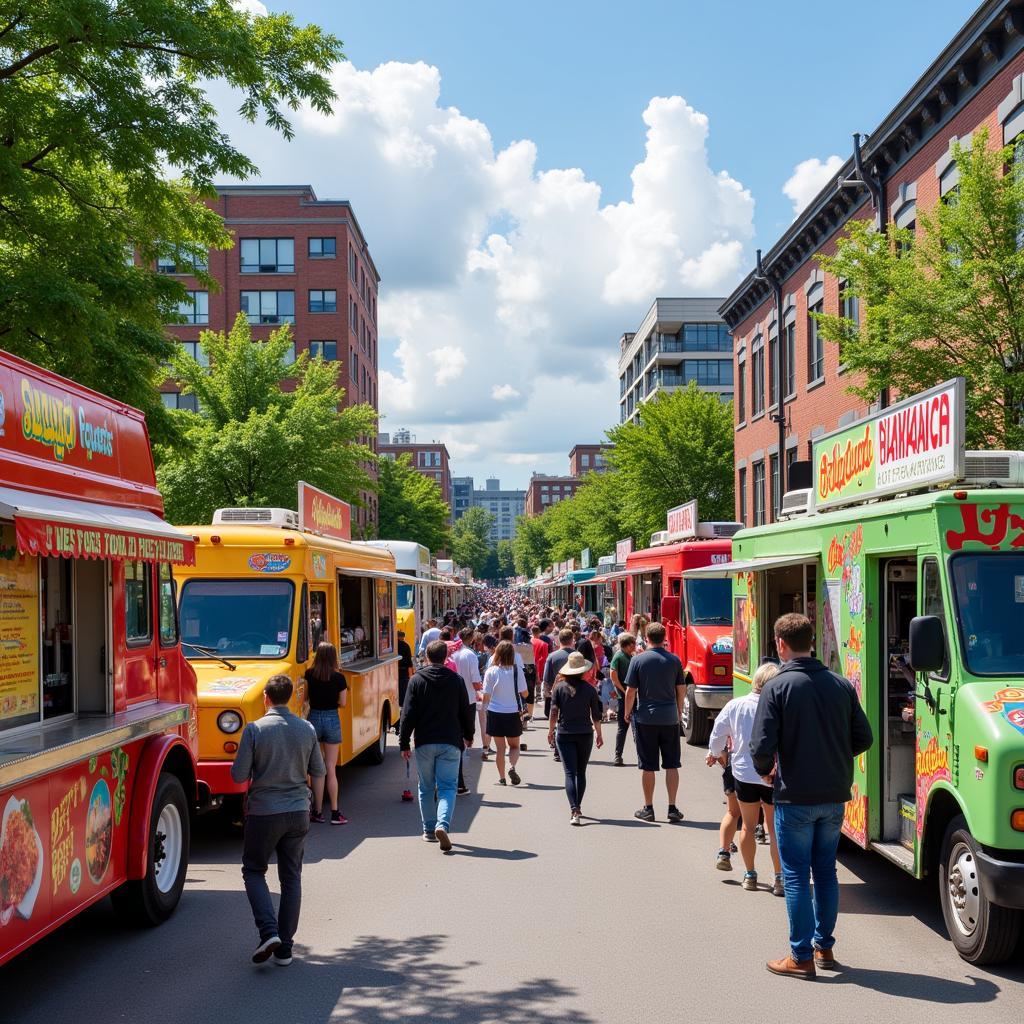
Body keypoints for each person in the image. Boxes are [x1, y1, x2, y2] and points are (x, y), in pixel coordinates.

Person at [751, 613, 873, 980]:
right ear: (813, 641)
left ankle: (800, 956)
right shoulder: (840, 685)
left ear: (779, 644)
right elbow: (863, 738)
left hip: (794, 795)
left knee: (796, 875)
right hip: (834, 794)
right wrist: (833, 758)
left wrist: (766, 770)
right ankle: (824, 947)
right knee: (825, 872)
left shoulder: (777, 686)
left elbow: (760, 746)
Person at [231, 674, 325, 965]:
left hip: (264, 811)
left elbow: (238, 775)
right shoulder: (306, 728)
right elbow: (318, 771)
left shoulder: (255, 730)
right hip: (298, 811)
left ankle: (268, 931)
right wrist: (316, 807)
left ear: (266, 698)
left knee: (254, 870)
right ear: (289, 697)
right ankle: (285, 947)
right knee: (291, 877)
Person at [707, 662, 783, 895]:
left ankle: (750, 875)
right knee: (774, 828)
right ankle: (779, 878)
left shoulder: (735, 705)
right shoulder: (779, 708)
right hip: (772, 775)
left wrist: (715, 753)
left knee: (748, 826)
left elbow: (718, 734)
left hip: (744, 774)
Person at [399, 640, 476, 852]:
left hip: (424, 741)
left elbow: (407, 714)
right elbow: (465, 711)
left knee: (425, 787)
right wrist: (469, 735)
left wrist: (404, 742)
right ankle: (443, 824)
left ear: (427, 657)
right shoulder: (456, 680)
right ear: (446, 658)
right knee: (448, 787)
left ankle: (429, 829)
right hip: (451, 740)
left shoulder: (416, 680)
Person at [623, 621, 686, 822]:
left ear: (646, 638)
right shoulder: (675, 660)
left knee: (648, 766)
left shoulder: (638, 660)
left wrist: (627, 712)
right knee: (672, 764)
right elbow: (681, 690)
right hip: (669, 718)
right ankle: (672, 807)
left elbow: (630, 691)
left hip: (646, 718)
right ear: (664, 637)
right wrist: (677, 710)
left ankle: (648, 808)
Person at [548, 651, 603, 825]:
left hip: (564, 733)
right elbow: (596, 715)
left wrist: (550, 731)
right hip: (585, 733)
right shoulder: (590, 689)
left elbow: (554, 712)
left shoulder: (559, 688)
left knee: (570, 773)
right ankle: (578, 805)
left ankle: (574, 810)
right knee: (581, 772)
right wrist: (599, 733)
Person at [304, 642, 349, 825]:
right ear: (333, 657)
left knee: (317, 768)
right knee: (331, 768)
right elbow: (343, 703)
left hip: (314, 718)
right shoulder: (339, 678)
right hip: (332, 718)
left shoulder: (309, 675)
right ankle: (335, 812)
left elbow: (306, 698)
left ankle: (317, 811)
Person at [481, 640, 528, 786]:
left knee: (500, 748)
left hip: (495, 712)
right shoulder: (516, 670)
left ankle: (502, 778)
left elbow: (486, 696)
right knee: (514, 746)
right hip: (512, 712)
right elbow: (525, 693)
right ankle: (511, 767)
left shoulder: (491, 671)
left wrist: (484, 710)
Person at [451, 627, 483, 795]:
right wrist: (481, 691)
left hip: (452, 700)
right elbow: (475, 679)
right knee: (464, 735)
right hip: (468, 699)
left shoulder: (452, 652)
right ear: (470, 638)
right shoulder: (470, 655)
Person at [542, 628, 577, 762]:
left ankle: (558, 750)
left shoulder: (552, 656)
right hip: (576, 691)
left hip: (558, 691)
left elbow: (547, 678)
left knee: (558, 720)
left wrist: (548, 694)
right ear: (572, 639)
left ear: (558, 640)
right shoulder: (577, 655)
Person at [609, 632, 635, 766]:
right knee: (623, 727)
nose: (635, 646)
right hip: (623, 696)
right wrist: (623, 690)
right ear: (629, 645)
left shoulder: (630, 656)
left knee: (635, 727)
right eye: (634, 644)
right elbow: (613, 675)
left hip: (631, 695)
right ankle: (618, 756)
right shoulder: (619, 656)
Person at [395, 630, 414, 735]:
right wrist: (411, 677)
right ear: (403, 637)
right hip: (403, 675)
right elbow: (409, 663)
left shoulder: (393, 646)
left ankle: (396, 724)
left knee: (395, 702)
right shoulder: (406, 646)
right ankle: (400, 726)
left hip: (393, 674)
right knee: (402, 702)